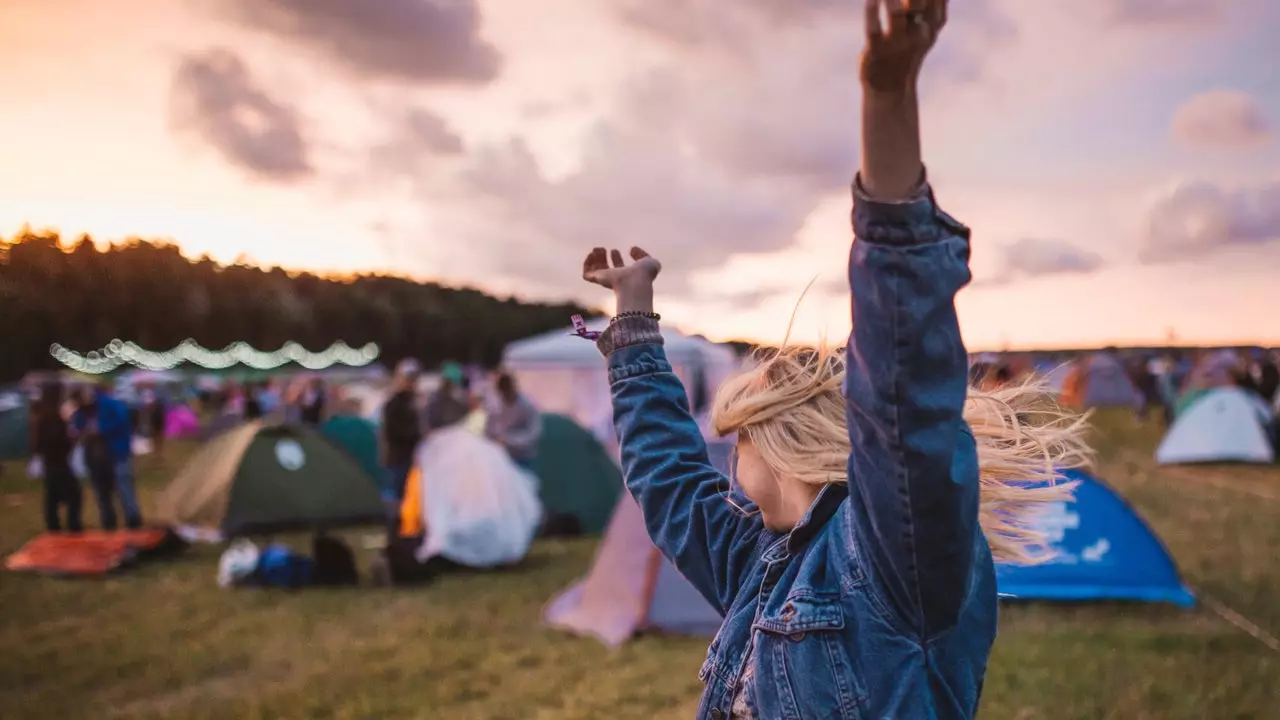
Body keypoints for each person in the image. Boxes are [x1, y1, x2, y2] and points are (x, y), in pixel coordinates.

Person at [577, 3, 1093, 717]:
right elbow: (668, 480)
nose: (723, 459)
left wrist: (887, 103)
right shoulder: (759, 561)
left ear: (778, 439)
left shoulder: (890, 561)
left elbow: (902, 385)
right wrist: (633, 317)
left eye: (736, 438)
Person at [72, 384, 141, 530]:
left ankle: (133, 521)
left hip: (117, 453)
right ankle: (109, 523)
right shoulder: (80, 412)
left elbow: (123, 420)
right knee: (102, 493)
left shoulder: (110, 404)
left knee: (124, 488)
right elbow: (78, 427)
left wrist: (102, 428)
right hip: (95, 457)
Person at [32, 382, 82, 533]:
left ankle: (54, 527)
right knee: (74, 495)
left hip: (50, 462)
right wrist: (70, 438)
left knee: (52, 496)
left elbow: (38, 443)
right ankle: (72, 526)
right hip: (59, 462)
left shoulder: (41, 417)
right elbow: (58, 439)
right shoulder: (53, 417)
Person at [381, 360, 423, 520]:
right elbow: (394, 431)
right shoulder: (394, 404)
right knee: (394, 495)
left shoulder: (412, 402)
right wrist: (416, 435)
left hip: (410, 457)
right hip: (397, 457)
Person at [483, 372, 543, 472]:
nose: (506, 394)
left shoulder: (527, 406)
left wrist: (509, 440)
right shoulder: (496, 407)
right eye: (503, 391)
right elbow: (489, 431)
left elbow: (533, 435)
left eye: (508, 389)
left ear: (514, 387)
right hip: (503, 458)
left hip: (524, 458)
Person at [424, 362, 470, 432]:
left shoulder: (460, 402)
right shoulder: (433, 399)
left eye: (452, 383)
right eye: (447, 383)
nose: (450, 386)